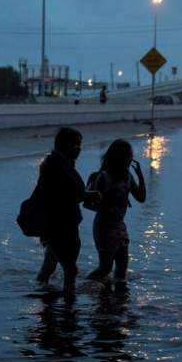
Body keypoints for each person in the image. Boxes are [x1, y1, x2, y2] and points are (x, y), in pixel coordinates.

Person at [35, 127, 100, 297]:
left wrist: (86, 194)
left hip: (60, 222)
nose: (80, 149)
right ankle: (69, 305)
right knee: (71, 269)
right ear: (67, 145)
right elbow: (68, 194)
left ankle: (43, 300)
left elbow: (70, 192)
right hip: (59, 224)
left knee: (49, 267)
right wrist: (89, 194)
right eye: (77, 145)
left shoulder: (60, 163)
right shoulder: (57, 165)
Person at [87, 139, 146, 281]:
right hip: (104, 227)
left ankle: (119, 300)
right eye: (129, 155)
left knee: (122, 268)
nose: (131, 157)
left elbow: (141, 198)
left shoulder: (127, 176)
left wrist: (140, 176)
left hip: (119, 226)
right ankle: (82, 286)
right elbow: (90, 204)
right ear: (121, 157)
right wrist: (107, 203)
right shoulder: (104, 177)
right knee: (105, 268)